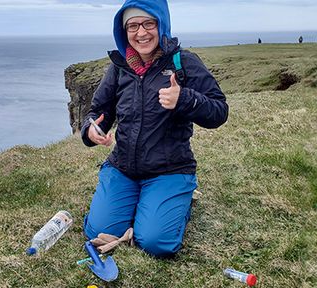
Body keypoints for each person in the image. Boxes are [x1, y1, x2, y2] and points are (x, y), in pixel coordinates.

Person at [81, 0, 228, 258]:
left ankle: (180, 201)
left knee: (155, 243)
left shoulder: (185, 63)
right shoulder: (119, 67)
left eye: (149, 23)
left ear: (161, 25)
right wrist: (92, 130)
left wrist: (184, 98)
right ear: (123, 31)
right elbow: (98, 111)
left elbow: (219, 111)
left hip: (169, 170)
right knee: (98, 230)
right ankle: (143, 203)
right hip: (124, 167)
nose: (141, 33)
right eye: (133, 26)